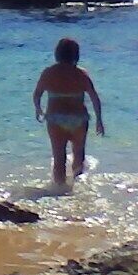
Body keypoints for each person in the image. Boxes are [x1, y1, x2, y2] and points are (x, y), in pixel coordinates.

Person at [33, 37, 104, 187]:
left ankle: (59, 190)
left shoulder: (49, 73)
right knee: (79, 156)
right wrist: (99, 120)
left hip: (55, 119)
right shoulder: (81, 74)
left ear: (57, 54)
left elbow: (37, 94)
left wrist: (38, 109)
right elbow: (94, 98)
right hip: (78, 119)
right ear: (76, 55)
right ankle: (78, 188)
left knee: (59, 158)